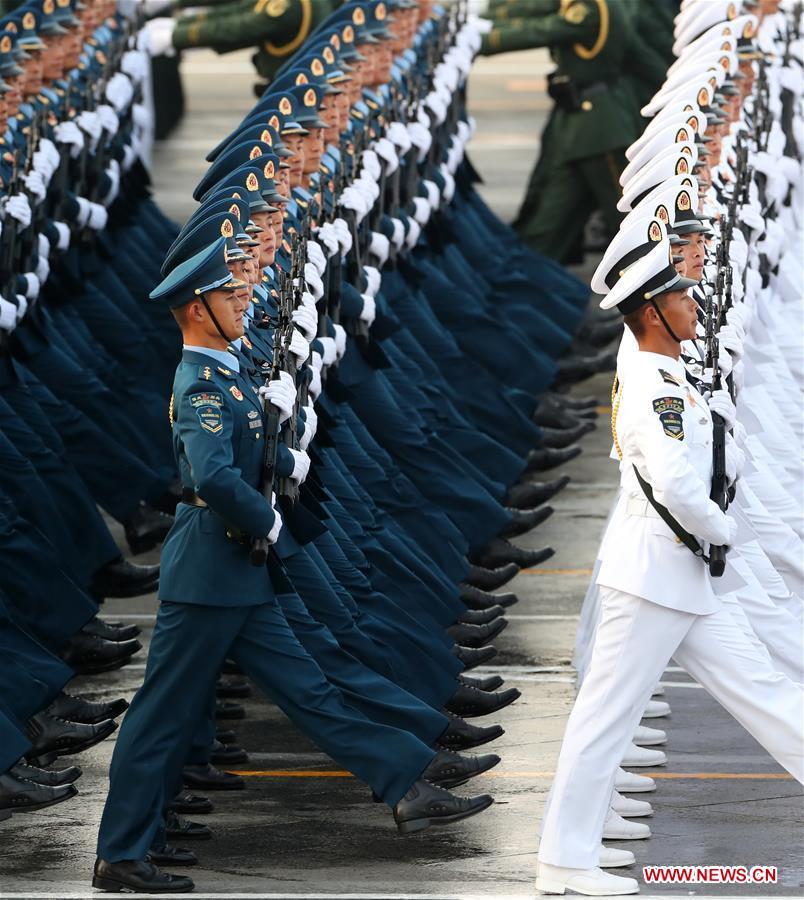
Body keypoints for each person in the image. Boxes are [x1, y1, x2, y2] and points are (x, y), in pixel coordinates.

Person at [92, 237, 494, 895]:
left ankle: (407, 786)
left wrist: (284, 464)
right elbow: (212, 476)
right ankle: (121, 851)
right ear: (195, 311)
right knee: (162, 715)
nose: (240, 301)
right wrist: (270, 519)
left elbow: (250, 457)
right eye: (227, 296)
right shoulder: (201, 387)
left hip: (239, 570)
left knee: (311, 688)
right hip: (209, 571)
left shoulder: (227, 371)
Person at [535, 240, 804, 897]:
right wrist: (726, 531)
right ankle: (565, 861)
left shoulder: (661, 361)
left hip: (681, 577)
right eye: (680, 296)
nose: (693, 302)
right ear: (652, 312)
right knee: (605, 721)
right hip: (653, 580)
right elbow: (675, 485)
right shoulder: (653, 383)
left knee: (766, 691)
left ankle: (567, 857)